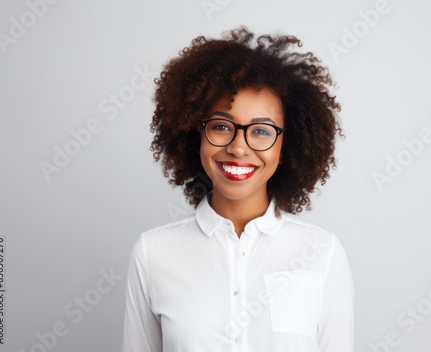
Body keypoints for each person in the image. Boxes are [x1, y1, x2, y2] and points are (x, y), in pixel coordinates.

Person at [121, 26, 354, 352]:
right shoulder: (152, 254)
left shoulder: (322, 253)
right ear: (194, 134)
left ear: (287, 144)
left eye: (261, 131)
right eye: (221, 126)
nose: (239, 148)